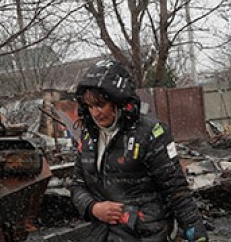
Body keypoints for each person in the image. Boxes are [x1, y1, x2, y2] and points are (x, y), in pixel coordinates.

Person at [68, 60, 208, 242]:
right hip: (102, 235)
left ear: (118, 101)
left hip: (146, 234)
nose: (95, 113)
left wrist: (194, 230)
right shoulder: (88, 137)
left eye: (101, 104)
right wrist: (94, 208)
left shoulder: (150, 133)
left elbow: (175, 189)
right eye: (90, 106)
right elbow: (78, 185)